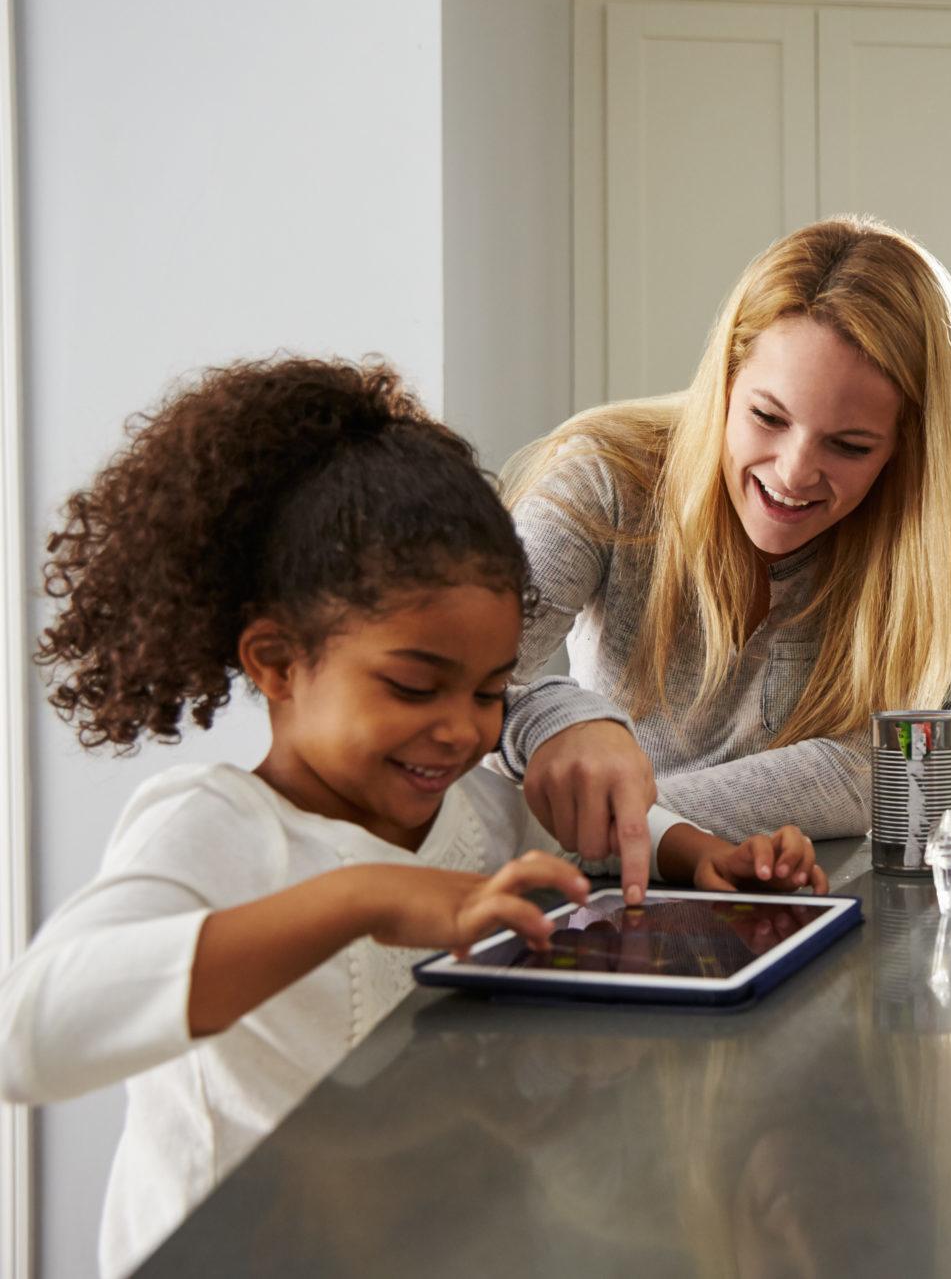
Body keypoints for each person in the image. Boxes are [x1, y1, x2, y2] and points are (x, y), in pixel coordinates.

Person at [0, 358, 821, 1277]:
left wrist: (696, 853)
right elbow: (27, 1034)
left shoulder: (469, 805)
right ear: (275, 662)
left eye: (489, 691)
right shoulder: (217, 826)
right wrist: (365, 898)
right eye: (411, 685)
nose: (463, 729)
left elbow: (580, 827)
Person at [498, 216, 951, 883]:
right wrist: (668, 837)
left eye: (849, 446)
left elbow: (868, 769)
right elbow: (478, 693)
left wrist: (617, 820)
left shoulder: (904, 551)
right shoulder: (601, 477)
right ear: (725, 382)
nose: (794, 473)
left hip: (771, 892)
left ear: (905, 454)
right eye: (768, 417)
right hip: (610, 891)